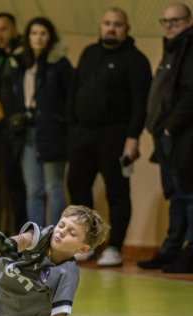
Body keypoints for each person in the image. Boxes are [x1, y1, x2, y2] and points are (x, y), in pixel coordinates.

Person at [67, 8, 152, 266]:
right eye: (107, 23)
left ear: (126, 28)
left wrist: (133, 137)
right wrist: (72, 129)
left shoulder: (136, 60)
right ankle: (85, 244)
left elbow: (141, 103)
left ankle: (114, 247)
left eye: (117, 24)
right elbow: (74, 90)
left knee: (117, 192)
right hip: (83, 133)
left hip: (115, 135)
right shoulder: (89, 53)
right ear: (101, 26)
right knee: (78, 188)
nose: (111, 28)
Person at [1, 18, 73, 229]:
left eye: (43, 33)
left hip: (52, 131)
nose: (38, 38)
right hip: (27, 131)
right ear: (27, 37)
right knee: (33, 190)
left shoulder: (59, 63)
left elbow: (70, 98)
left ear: (51, 37)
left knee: (54, 187)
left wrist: (64, 125)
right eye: (34, 33)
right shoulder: (19, 63)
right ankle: (36, 238)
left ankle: (55, 237)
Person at [139, 3, 193, 274]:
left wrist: (171, 128)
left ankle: (188, 251)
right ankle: (171, 250)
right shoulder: (173, 48)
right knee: (175, 194)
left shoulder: (189, 48)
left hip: (182, 135)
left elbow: (190, 93)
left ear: (189, 21)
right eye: (166, 21)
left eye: (176, 20)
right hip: (166, 135)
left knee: (187, 194)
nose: (169, 25)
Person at [0, 13, 28, 234]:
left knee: (30, 185)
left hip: (23, 129)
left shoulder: (24, 56)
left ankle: (32, 234)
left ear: (14, 29)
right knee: (12, 183)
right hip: (5, 129)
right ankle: (20, 233)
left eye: (4, 29)